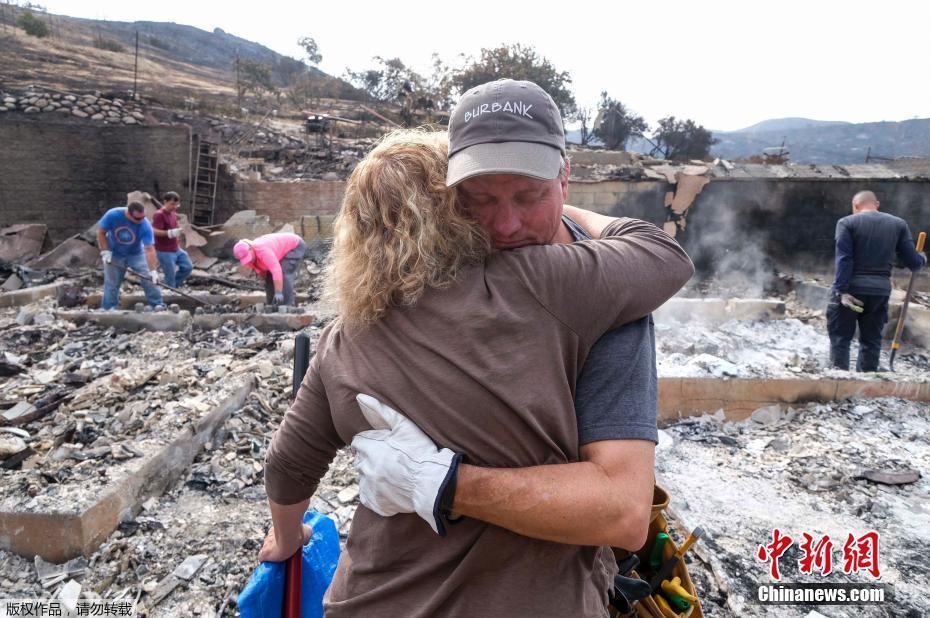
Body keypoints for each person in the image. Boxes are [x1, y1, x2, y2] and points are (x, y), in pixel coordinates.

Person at [259, 129, 694, 616]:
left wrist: (287, 535)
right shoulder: (536, 282)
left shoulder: (343, 339)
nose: (506, 222)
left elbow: (287, 464)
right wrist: (560, 205)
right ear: (454, 210)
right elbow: (662, 255)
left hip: (372, 601)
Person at [350, 80, 662, 561]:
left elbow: (622, 511)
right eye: (480, 199)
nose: (506, 226)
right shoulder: (435, 265)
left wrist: (442, 482)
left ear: (565, 177)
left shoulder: (611, 296)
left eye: (529, 195)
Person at [828, 190, 926, 371]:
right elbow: (912, 262)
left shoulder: (846, 222)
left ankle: (839, 380)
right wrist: (921, 258)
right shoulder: (898, 224)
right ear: (877, 204)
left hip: (851, 291)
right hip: (879, 293)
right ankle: (866, 384)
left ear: (855, 206)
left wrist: (841, 290)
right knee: (871, 340)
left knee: (841, 338)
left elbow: (844, 259)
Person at [97, 201, 164, 310]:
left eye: (144, 217)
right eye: (138, 219)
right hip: (115, 253)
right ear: (128, 214)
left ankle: (157, 305)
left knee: (149, 278)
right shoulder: (113, 215)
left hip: (136, 254)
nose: (141, 220)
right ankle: (109, 308)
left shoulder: (145, 225)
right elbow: (101, 232)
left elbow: (149, 249)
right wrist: (105, 251)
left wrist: (153, 271)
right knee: (112, 283)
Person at [233, 232, 307, 306]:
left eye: (248, 257)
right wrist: (264, 280)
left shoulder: (263, 251)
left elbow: (276, 270)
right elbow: (261, 270)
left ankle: (287, 305)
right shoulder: (249, 258)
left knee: (283, 273)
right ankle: (272, 304)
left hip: (295, 246)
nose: (249, 260)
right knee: (269, 276)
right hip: (278, 250)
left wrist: (278, 292)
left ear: (251, 249)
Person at [151, 191, 193, 289]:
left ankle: (172, 286)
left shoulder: (172, 213)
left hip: (175, 248)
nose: (174, 207)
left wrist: (178, 231)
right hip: (164, 251)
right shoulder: (159, 214)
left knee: (188, 267)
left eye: (176, 205)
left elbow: (174, 226)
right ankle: (170, 292)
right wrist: (169, 233)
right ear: (165, 202)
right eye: (172, 204)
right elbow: (154, 231)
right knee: (169, 275)